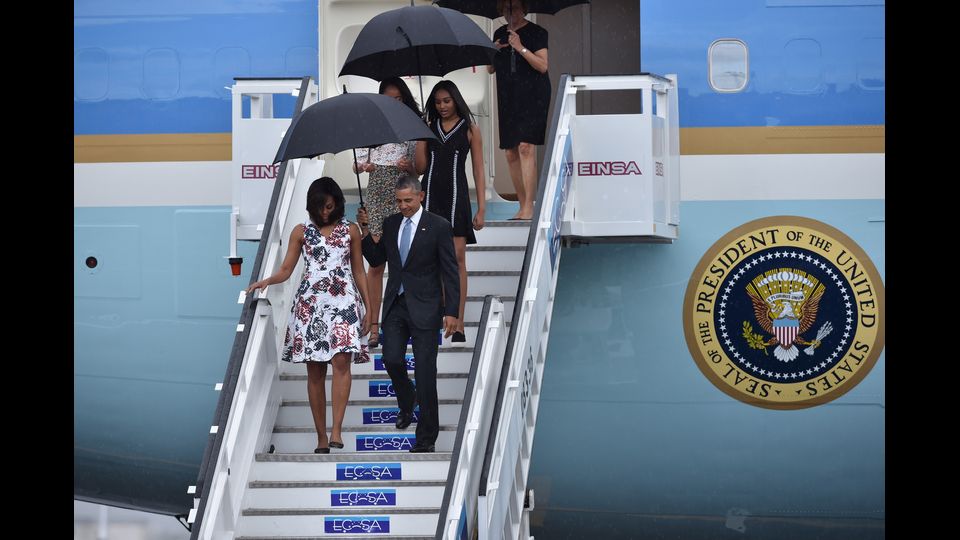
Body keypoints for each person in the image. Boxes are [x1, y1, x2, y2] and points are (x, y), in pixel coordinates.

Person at [247, 177, 371, 454]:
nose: (325, 212)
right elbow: (287, 269)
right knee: (315, 372)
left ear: (338, 202)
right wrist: (266, 281)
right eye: (320, 207)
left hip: (344, 304)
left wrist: (369, 307)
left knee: (342, 364)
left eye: (329, 206)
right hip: (311, 305)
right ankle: (321, 437)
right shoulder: (301, 231)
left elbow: (359, 271)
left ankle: (337, 430)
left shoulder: (350, 230)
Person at [357, 175, 460, 453]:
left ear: (421, 196)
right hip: (395, 306)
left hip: (426, 308)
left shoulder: (438, 226)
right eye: (399, 201)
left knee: (426, 374)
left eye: (408, 200)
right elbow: (377, 259)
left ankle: (426, 439)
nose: (403, 206)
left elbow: (451, 271)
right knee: (391, 359)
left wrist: (453, 311)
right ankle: (406, 398)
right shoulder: (391, 224)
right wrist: (366, 229)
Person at [414, 80, 486, 342]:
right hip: (430, 197)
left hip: (457, 198)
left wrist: (482, 207)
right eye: (437, 102)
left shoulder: (470, 129)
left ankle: (458, 320)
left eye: (446, 100)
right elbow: (420, 167)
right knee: (432, 260)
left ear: (455, 100)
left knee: (457, 258)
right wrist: (421, 133)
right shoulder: (428, 128)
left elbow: (478, 168)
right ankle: (440, 315)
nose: (442, 106)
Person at [354, 77, 422, 349]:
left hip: (402, 197)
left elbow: (419, 170)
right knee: (375, 263)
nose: (393, 102)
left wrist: (409, 168)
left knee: (405, 261)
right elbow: (357, 163)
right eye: (388, 98)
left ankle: (405, 320)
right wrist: (366, 166)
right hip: (376, 198)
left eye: (398, 98)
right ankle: (373, 323)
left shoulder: (412, 128)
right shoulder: (370, 127)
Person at [487, 0, 550, 220]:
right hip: (508, 96)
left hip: (533, 95)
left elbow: (542, 66)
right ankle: (522, 204)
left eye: (513, 8)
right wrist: (492, 50)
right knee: (510, 151)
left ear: (524, 10)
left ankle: (530, 206)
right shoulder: (499, 32)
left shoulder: (537, 32)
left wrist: (520, 47)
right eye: (504, 9)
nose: (509, 13)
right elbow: (490, 69)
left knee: (525, 147)